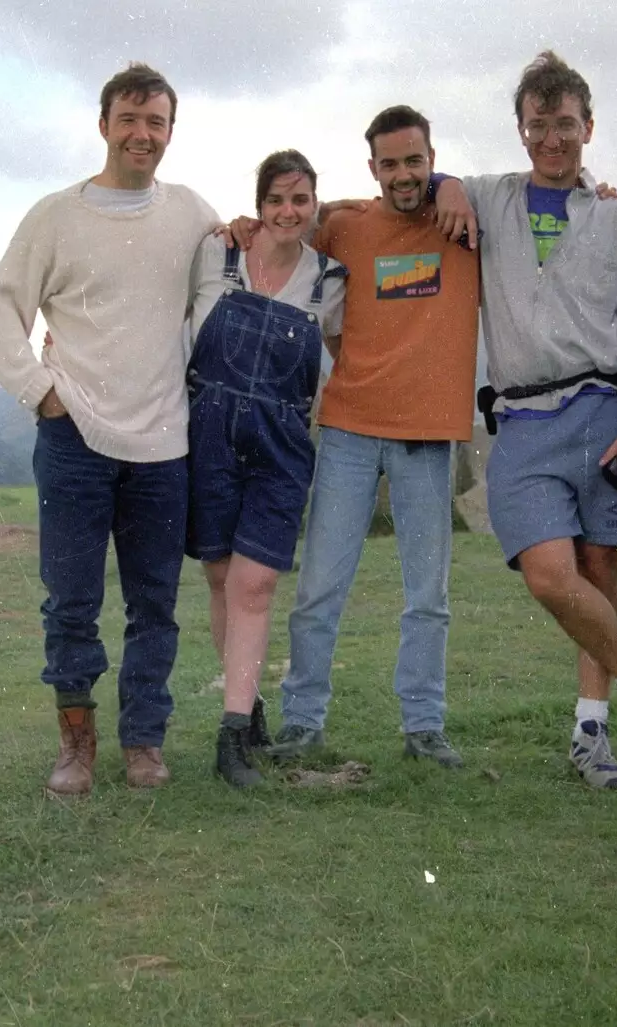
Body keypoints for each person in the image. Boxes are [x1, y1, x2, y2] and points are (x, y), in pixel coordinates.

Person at [424, 52, 617, 789]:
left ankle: (591, 733)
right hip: (523, 417)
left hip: (605, 409)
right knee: (548, 575)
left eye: (566, 125)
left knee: (599, 571)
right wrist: (446, 185)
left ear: (588, 126)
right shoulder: (489, 198)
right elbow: (427, 183)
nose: (554, 141)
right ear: (521, 131)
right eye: (539, 127)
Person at [0, 63, 219, 796]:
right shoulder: (56, 215)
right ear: (104, 123)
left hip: (163, 445)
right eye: (129, 119)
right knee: (72, 602)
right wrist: (41, 392)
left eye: (156, 122)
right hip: (73, 439)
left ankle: (143, 742)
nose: (142, 134)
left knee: (155, 604)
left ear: (171, 132)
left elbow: (220, 283)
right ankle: (75, 748)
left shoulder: (191, 214)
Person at [236, 106, 481, 768]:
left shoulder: (466, 220)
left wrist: (454, 184)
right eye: (390, 163)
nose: (405, 175)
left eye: (417, 161)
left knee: (427, 597)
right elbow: (287, 222)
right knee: (319, 589)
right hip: (346, 429)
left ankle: (424, 727)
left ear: (433, 159)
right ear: (372, 168)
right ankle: (302, 722)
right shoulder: (345, 224)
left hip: (428, 438)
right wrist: (240, 225)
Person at [188, 150, 347, 788]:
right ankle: (245, 704)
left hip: (281, 445)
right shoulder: (213, 257)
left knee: (255, 586)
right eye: (276, 200)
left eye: (300, 200)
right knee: (222, 579)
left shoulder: (329, 282)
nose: (287, 212)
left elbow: (349, 357)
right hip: (208, 437)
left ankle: (230, 743)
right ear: (259, 207)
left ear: (315, 207)